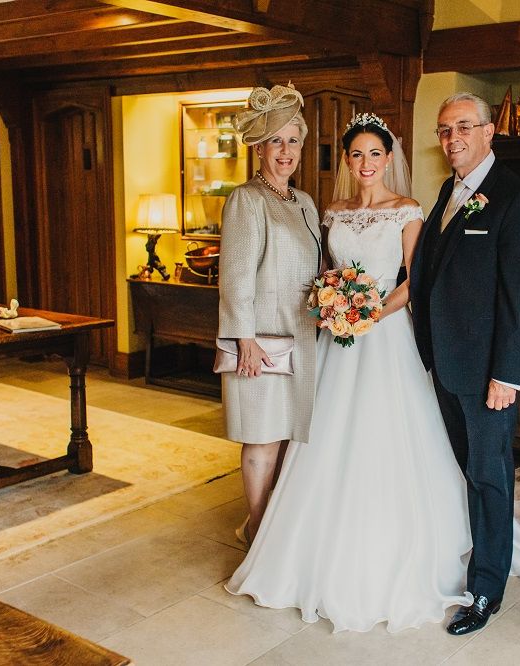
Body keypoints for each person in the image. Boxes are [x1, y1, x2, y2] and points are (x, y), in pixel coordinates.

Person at [226, 112, 520, 634]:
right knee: (327, 442)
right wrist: (334, 303)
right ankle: (308, 547)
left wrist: (369, 313)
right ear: (346, 162)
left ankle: (481, 578)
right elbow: (326, 273)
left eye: (375, 153)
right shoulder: (332, 211)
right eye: (356, 154)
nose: (366, 162)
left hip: (390, 339)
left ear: (389, 158)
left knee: (428, 451)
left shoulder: (416, 208)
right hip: (340, 345)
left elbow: (419, 279)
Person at [409, 92, 520, 635]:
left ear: (490, 132)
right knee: (463, 472)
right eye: (445, 130)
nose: (452, 139)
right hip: (445, 365)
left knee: (490, 479)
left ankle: (486, 590)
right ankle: (464, 557)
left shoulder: (515, 199)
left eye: (464, 127)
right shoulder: (449, 192)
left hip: (488, 373)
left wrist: (507, 375)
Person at [218, 83, 321, 545]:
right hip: (261, 341)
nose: (286, 151)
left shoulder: (303, 202)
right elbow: (235, 276)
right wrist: (244, 340)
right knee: (261, 438)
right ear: (260, 147)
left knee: (286, 434)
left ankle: (272, 523)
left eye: (293, 140)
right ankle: (256, 529)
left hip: (301, 338)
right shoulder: (247, 199)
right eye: (276, 141)